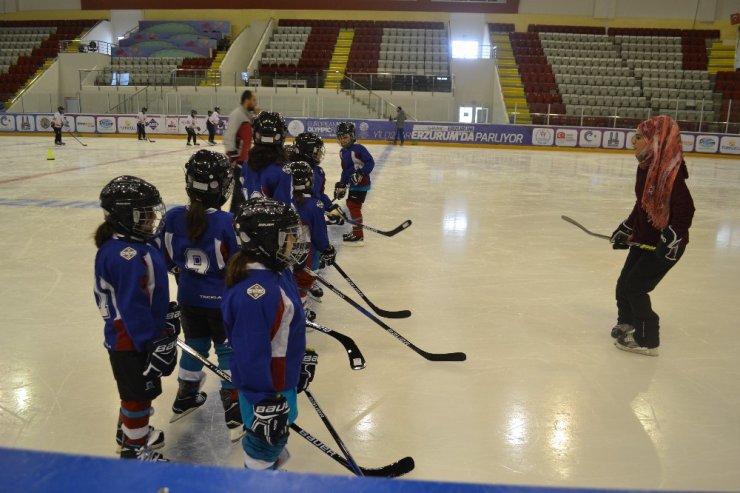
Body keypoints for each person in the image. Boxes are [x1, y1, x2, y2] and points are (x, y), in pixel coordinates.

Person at [222, 197, 317, 470]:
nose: (294, 242)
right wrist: (263, 399)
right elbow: (250, 354)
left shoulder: (275, 273)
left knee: (274, 439)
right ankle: (256, 477)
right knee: (264, 445)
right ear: (265, 240)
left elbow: (283, 328)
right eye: (287, 236)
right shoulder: (256, 294)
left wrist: (298, 360)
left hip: (278, 379)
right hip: (266, 388)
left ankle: (267, 467)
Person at [161, 149, 246, 441]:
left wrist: (182, 273)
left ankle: (185, 396)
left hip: (188, 297)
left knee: (195, 345)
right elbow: (238, 262)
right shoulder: (225, 222)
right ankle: (233, 409)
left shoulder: (172, 218)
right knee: (227, 351)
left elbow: (165, 257)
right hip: (222, 301)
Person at [93, 175, 177, 461]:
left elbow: (147, 293)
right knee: (137, 394)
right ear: (123, 217)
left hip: (134, 335)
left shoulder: (130, 244)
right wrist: (151, 340)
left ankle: (131, 430)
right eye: (145, 213)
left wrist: (164, 314)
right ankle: (134, 448)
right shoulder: (126, 255)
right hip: (131, 340)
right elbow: (132, 306)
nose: (153, 217)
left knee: (138, 390)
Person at [609, 115, 695, 356]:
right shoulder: (646, 167)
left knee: (636, 287)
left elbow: (686, 209)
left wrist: (674, 237)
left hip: (664, 245)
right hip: (645, 238)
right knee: (624, 284)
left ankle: (648, 340)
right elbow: (643, 205)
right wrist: (627, 228)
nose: (632, 142)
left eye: (638, 137)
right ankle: (628, 321)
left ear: (654, 140)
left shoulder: (671, 173)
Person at [285, 161, 336, 321]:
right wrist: (326, 249)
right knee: (304, 282)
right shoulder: (314, 205)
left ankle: (290, 309)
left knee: (290, 280)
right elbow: (319, 235)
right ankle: (301, 316)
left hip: (285, 251)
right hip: (307, 253)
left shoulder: (284, 201)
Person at [334, 122, 375, 246]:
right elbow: (346, 171)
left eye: (345, 137)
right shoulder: (342, 152)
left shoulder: (358, 149)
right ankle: (357, 232)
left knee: (354, 206)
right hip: (353, 184)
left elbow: (370, 162)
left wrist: (361, 173)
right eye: (340, 138)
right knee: (351, 205)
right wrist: (342, 184)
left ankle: (358, 235)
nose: (343, 140)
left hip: (361, 184)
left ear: (352, 136)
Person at [241, 112, 293, 205]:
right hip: (271, 218)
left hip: (247, 217)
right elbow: (284, 209)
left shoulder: (246, 164)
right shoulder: (282, 170)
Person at [224, 91, 260, 214]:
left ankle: (234, 216)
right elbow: (228, 136)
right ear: (247, 100)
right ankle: (234, 218)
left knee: (241, 192)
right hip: (238, 161)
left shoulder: (246, 115)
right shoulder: (237, 114)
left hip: (244, 161)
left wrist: (257, 114)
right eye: (254, 100)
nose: (255, 103)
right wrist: (234, 158)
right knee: (239, 192)